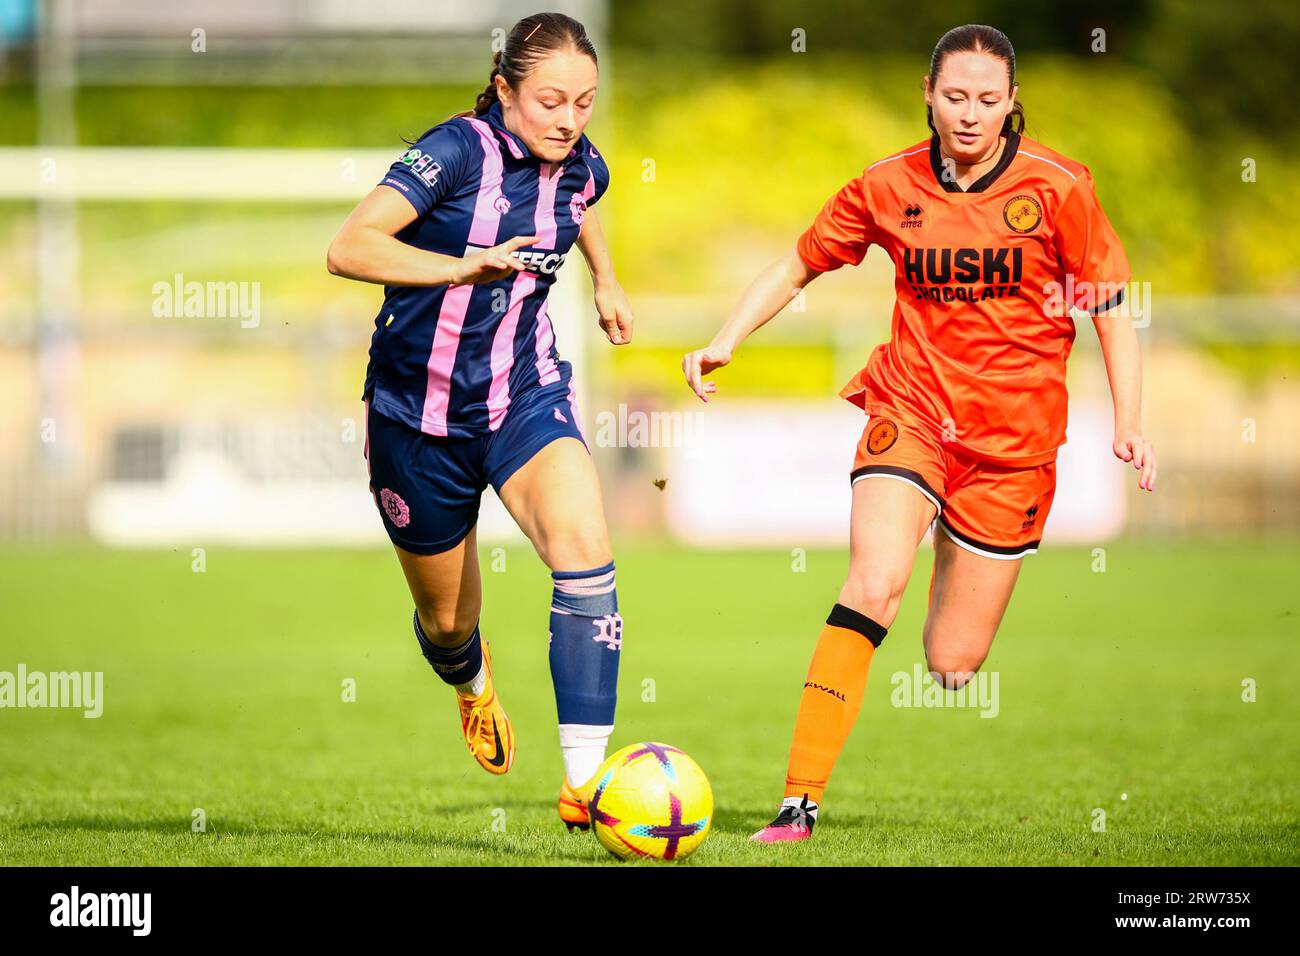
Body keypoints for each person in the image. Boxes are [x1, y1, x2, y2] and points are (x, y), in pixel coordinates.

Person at [681, 23, 1155, 843]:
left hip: (1012, 448)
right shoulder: (886, 183)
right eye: (955, 96)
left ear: (1012, 105)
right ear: (928, 96)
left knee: (952, 663)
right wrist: (728, 336)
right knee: (872, 583)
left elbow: (1111, 309)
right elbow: (799, 261)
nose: (970, 113)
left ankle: (952, 537)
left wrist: (1132, 421)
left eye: (988, 99)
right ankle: (798, 803)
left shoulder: (1060, 188)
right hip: (910, 412)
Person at [327, 12, 634, 833]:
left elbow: (585, 197)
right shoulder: (457, 151)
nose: (569, 120)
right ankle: (471, 681)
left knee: (585, 554)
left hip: (523, 397)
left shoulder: (579, 161)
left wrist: (606, 279)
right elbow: (350, 246)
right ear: (504, 90)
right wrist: (459, 266)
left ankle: (586, 785)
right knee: (448, 623)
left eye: (585, 102)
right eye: (550, 101)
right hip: (415, 418)